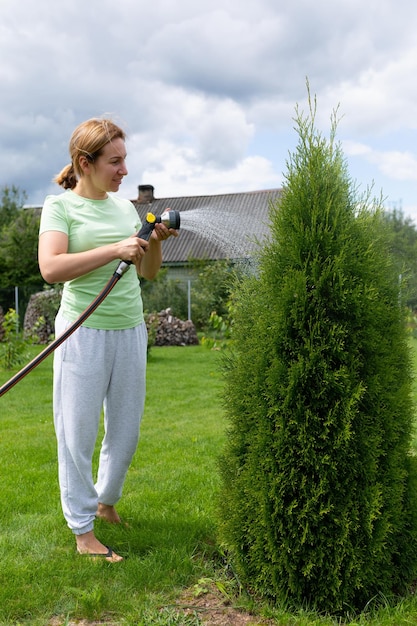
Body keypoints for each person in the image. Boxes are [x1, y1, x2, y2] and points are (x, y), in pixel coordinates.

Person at [38, 117, 177, 562]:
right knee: (76, 433)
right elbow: (51, 268)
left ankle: (105, 503)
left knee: (125, 430)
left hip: (129, 329)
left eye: (125, 160)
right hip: (83, 331)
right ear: (85, 162)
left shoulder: (124, 209)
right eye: (115, 162)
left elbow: (148, 272)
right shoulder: (59, 208)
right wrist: (114, 250)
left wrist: (153, 241)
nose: (124, 171)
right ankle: (83, 531)